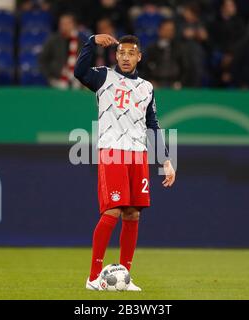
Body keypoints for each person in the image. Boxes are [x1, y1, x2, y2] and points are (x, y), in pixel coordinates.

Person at [74, 33, 176, 291]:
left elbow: (153, 125)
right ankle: (94, 276)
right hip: (112, 151)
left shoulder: (146, 88)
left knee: (133, 214)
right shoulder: (103, 77)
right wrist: (91, 41)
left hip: (138, 154)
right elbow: (78, 71)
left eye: (131, 53)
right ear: (115, 56)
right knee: (113, 211)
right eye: (121, 53)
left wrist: (165, 160)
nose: (126, 57)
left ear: (139, 56)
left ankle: (124, 276)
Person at [39, 13, 85, 89]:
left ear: (73, 24)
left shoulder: (81, 41)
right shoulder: (53, 40)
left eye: (67, 23)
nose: (64, 26)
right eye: (62, 24)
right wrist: (50, 76)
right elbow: (43, 60)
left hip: (77, 81)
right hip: (57, 80)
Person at [143, 19, 189, 88]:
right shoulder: (151, 48)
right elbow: (145, 68)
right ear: (159, 30)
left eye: (171, 30)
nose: (169, 32)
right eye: (166, 29)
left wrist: (180, 82)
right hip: (155, 84)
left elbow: (185, 69)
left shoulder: (180, 49)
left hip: (175, 85)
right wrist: (149, 82)